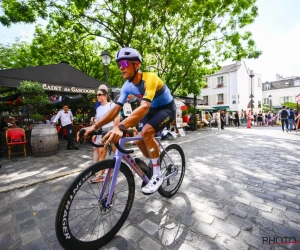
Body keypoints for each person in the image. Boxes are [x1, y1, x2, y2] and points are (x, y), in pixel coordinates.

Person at [79, 47, 176, 194]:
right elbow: (115, 110)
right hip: (152, 111)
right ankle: (155, 160)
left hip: (167, 109)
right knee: (139, 138)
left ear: (136, 65)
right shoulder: (127, 86)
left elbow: (144, 107)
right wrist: (94, 126)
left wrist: (121, 127)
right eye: (118, 65)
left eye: (124, 63)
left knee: (147, 132)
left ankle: (157, 174)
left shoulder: (150, 78)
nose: (120, 68)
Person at [90, 89, 120, 183]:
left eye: (100, 94)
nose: (98, 96)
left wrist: (114, 129)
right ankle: (102, 174)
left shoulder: (112, 105)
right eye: (97, 95)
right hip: (102, 132)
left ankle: (130, 167)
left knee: (117, 152)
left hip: (112, 130)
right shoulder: (98, 109)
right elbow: (99, 122)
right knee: (101, 153)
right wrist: (95, 132)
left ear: (106, 96)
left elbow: (117, 117)